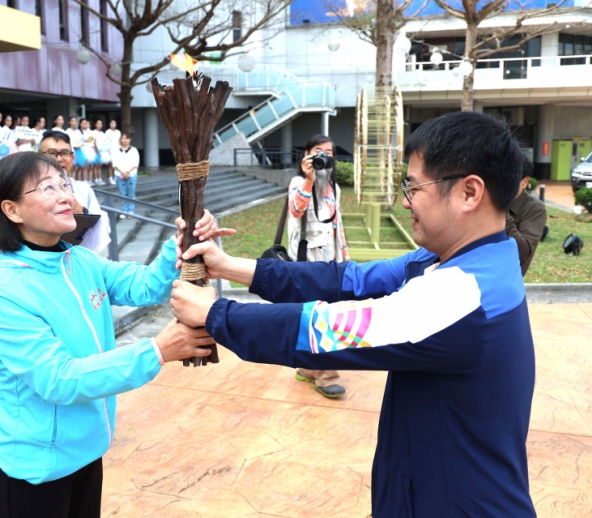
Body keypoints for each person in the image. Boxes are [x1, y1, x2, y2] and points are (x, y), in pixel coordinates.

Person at [169, 111, 537, 517]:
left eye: (413, 187)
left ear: (469, 193)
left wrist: (216, 313)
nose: (404, 200)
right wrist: (230, 267)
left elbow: (323, 332)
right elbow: (348, 279)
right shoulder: (457, 261)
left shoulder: (462, 295)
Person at [0, 152, 227, 518]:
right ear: (12, 210)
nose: (65, 194)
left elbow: (143, 286)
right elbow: (58, 380)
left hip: (87, 449)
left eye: (64, 183)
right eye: (47, 188)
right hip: (36, 468)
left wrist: (181, 243)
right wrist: (156, 351)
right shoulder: (4, 290)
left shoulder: (78, 260)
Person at [287, 135, 349, 398]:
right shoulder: (298, 183)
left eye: (329, 152)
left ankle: (307, 367)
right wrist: (310, 180)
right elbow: (296, 210)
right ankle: (327, 376)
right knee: (323, 317)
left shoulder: (334, 188)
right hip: (308, 261)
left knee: (317, 314)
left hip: (330, 261)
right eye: (318, 151)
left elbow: (338, 228)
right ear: (306, 155)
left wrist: (345, 260)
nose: (325, 156)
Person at [38, 130, 111, 253]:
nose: (59, 159)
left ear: (72, 158)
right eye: (52, 153)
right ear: (39, 156)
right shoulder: (26, 188)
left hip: (77, 257)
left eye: (65, 153)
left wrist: (81, 211)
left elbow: (100, 224)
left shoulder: (83, 189)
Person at [506, 161, 547, 276]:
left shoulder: (534, 208)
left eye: (508, 179)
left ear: (524, 182)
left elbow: (523, 251)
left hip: (506, 280)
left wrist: (500, 210)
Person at [111, 133, 139, 215]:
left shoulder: (134, 150)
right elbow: (115, 163)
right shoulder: (116, 150)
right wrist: (123, 172)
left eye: (127, 138)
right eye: (123, 138)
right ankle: (124, 210)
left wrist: (128, 172)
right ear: (120, 139)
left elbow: (135, 163)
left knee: (131, 193)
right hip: (119, 174)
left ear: (130, 140)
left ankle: (130, 210)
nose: (125, 140)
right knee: (123, 193)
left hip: (132, 174)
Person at [65, 116, 85, 180]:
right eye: (72, 121)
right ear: (69, 122)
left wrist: (81, 143)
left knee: (77, 167)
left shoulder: (77, 131)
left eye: (75, 121)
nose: (74, 123)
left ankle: (75, 180)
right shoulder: (67, 131)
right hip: (71, 150)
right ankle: (69, 180)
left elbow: (81, 140)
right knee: (71, 167)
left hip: (78, 150)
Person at [93, 119, 112, 185]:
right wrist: (97, 151)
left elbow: (105, 143)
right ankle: (96, 179)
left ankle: (100, 179)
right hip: (97, 151)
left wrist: (108, 150)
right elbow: (94, 143)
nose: (99, 125)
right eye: (98, 124)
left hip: (103, 151)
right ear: (95, 125)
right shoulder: (93, 132)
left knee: (100, 165)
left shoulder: (102, 133)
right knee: (96, 165)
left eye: (100, 124)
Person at [104, 120, 121, 185]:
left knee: (116, 164)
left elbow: (119, 141)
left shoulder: (118, 132)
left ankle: (116, 178)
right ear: (109, 124)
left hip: (117, 149)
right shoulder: (107, 132)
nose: (113, 125)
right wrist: (108, 150)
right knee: (110, 165)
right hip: (110, 150)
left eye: (114, 123)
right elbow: (105, 141)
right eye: (111, 123)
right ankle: (110, 178)